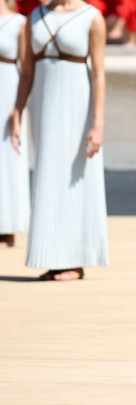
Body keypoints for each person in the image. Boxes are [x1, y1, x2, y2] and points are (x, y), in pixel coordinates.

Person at [10, 0, 109, 280]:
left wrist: (98, 123)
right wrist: (17, 110)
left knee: (75, 178)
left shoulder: (93, 18)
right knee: (48, 177)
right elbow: (27, 72)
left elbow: (99, 74)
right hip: (44, 105)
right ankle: (54, 259)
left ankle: (75, 262)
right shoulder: (34, 17)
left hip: (78, 105)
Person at [1, 0, 29, 249]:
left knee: (7, 155)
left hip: (7, 89)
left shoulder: (19, 23)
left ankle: (6, 227)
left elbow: (26, 69)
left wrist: (19, 108)